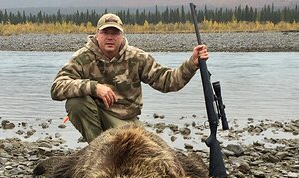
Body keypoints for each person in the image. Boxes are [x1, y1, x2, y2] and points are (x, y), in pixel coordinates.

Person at [51, 13, 209, 143]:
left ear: (122, 35)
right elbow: (57, 87)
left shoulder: (137, 57)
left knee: (152, 152)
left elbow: (168, 81)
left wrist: (192, 63)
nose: (110, 37)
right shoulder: (83, 57)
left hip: (126, 120)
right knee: (76, 102)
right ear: (97, 34)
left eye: (115, 33)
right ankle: (99, 150)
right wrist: (94, 87)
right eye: (106, 32)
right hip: (98, 116)